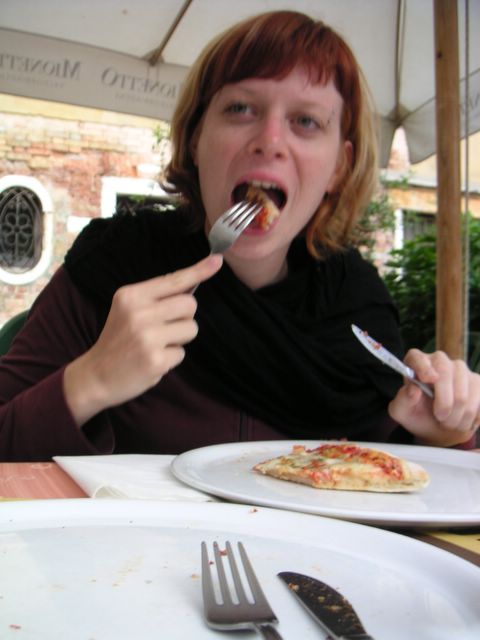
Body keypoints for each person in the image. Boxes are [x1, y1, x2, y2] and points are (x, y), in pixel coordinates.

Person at [0, 10, 478, 461]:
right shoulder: (116, 264)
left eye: (306, 121)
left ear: (339, 166)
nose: (270, 141)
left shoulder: (357, 308)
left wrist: (439, 435)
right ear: (195, 139)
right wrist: (91, 380)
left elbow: (395, 483)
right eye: (241, 108)